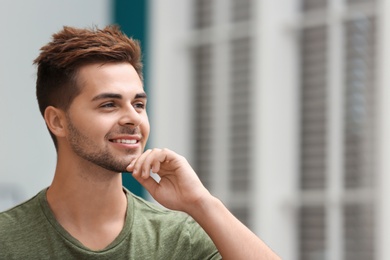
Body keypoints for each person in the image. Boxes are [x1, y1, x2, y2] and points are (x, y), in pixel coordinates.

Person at [0, 25, 280, 259]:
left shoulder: (177, 238)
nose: (133, 118)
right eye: (109, 104)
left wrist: (202, 203)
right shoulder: (7, 240)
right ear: (57, 121)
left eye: (138, 104)